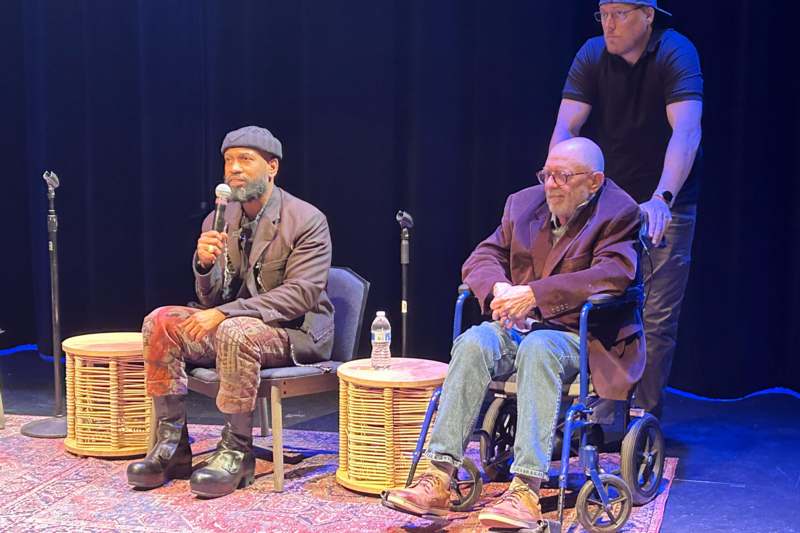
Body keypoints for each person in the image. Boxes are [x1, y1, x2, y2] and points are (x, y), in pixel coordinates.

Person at [381, 137, 644, 529]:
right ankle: (437, 477)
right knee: (474, 341)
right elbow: (483, 256)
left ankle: (525, 489)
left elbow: (613, 274)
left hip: (583, 335)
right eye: (547, 174)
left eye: (563, 176)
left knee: (539, 347)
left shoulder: (619, 212)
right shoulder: (522, 204)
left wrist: (536, 294)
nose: (551, 184)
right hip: (520, 328)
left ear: (594, 181)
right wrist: (499, 289)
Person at [126, 125, 334, 498]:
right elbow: (210, 300)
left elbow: (301, 295)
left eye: (245, 159)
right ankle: (172, 444)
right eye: (228, 160)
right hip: (232, 327)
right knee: (161, 322)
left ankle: (238, 450)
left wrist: (227, 314)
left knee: (234, 331)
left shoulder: (306, 220)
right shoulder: (218, 220)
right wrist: (204, 266)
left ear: (272, 167)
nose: (234, 169)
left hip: (294, 332)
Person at [549, 0, 703, 416]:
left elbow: (686, 133)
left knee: (655, 317)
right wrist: (557, 183)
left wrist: (662, 198)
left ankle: (641, 420)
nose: (609, 24)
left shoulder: (675, 52)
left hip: (664, 202)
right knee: (598, 303)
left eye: (620, 14)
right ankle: (597, 413)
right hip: (607, 202)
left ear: (648, 15)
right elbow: (566, 129)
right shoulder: (592, 53)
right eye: (603, 14)